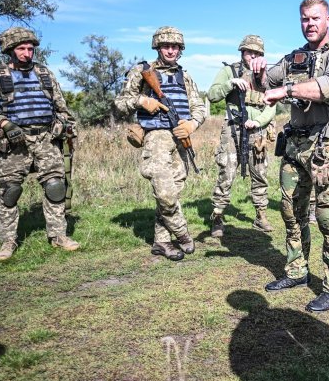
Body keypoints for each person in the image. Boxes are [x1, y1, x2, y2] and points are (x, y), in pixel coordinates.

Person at [251, 0, 329, 313]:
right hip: (295, 145)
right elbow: (264, 81)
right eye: (304, 19)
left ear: (328, 20)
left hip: (327, 147)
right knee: (290, 211)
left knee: (327, 214)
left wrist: (287, 91)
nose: (309, 24)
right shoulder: (295, 57)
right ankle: (297, 272)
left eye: (315, 18)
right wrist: (256, 70)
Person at [0, 27, 81, 260]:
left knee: (55, 187)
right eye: (21, 49)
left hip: (45, 139)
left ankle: (58, 236)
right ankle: (7, 241)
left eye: (30, 49)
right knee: (9, 191)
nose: (27, 53)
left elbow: (62, 109)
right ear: (10, 50)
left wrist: (61, 124)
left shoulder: (44, 74)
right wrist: (3, 123)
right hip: (13, 142)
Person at [114, 26, 206, 261]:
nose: (171, 50)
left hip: (180, 138)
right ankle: (183, 232)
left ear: (181, 49)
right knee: (164, 192)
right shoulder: (142, 71)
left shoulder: (185, 76)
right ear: (157, 47)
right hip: (156, 137)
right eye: (166, 46)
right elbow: (120, 103)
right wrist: (142, 100)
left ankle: (162, 242)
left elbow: (198, 107)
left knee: (174, 191)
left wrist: (192, 125)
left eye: (175, 46)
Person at [207, 35, 276, 237]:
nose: (252, 56)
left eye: (256, 52)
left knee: (260, 172)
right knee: (226, 172)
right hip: (233, 129)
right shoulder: (229, 71)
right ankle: (217, 216)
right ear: (242, 52)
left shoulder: (267, 75)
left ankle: (261, 215)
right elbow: (212, 95)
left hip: (258, 130)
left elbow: (272, 106)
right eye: (248, 51)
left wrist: (259, 121)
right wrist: (231, 83)